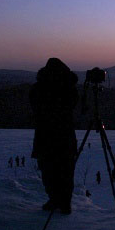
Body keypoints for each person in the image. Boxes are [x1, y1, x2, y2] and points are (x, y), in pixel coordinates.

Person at [29, 57, 79, 213]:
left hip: (53, 136)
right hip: (55, 136)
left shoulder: (65, 90)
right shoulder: (41, 89)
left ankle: (62, 202)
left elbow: (70, 103)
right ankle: (57, 200)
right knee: (55, 170)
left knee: (60, 170)